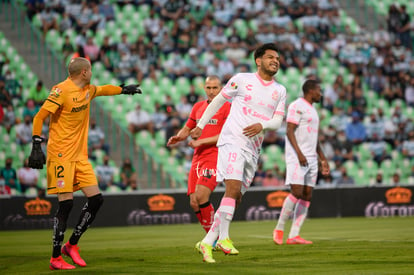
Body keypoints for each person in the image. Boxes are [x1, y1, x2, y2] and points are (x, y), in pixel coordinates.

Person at [27, 57, 142, 270]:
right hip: (61, 155)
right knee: (66, 204)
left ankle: (71, 245)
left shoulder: (88, 89)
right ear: (84, 72)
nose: (91, 73)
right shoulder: (61, 91)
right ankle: (55, 258)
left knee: (96, 199)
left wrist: (122, 89)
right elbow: (39, 117)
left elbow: (103, 89)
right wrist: (36, 144)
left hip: (80, 156)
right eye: (90, 70)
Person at [191, 43, 286, 263]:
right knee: (232, 189)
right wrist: (201, 125)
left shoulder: (280, 90)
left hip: (253, 148)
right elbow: (218, 101)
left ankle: (207, 241)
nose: (275, 61)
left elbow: (277, 121)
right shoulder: (242, 79)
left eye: (278, 58)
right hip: (233, 140)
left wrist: (262, 126)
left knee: (236, 196)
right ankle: (224, 237)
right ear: (258, 60)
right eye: (271, 57)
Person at [167, 75, 231, 234]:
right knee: (194, 202)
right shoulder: (198, 107)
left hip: (215, 156)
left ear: (221, 89)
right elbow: (188, 127)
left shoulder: (227, 107)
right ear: (204, 88)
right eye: (208, 88)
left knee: (202, 196)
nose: (211, 91)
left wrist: (200, 142)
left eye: (215, 88)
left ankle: (214, 237)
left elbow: (225, 135)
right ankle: (212, 237)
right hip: (198, 157)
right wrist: (179, 136)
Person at [273, 79, 330, 246]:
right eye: (319, 90)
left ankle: (294, 235)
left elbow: (314, 138)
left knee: (307, 195)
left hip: (312, 158)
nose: (321, 94)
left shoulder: (313, 110)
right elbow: (289, 130)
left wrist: (323, 159)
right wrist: (299, 154)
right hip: (297, 157)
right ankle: (279, 228)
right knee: (296, 191)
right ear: (310, 90)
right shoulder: (297, 105)